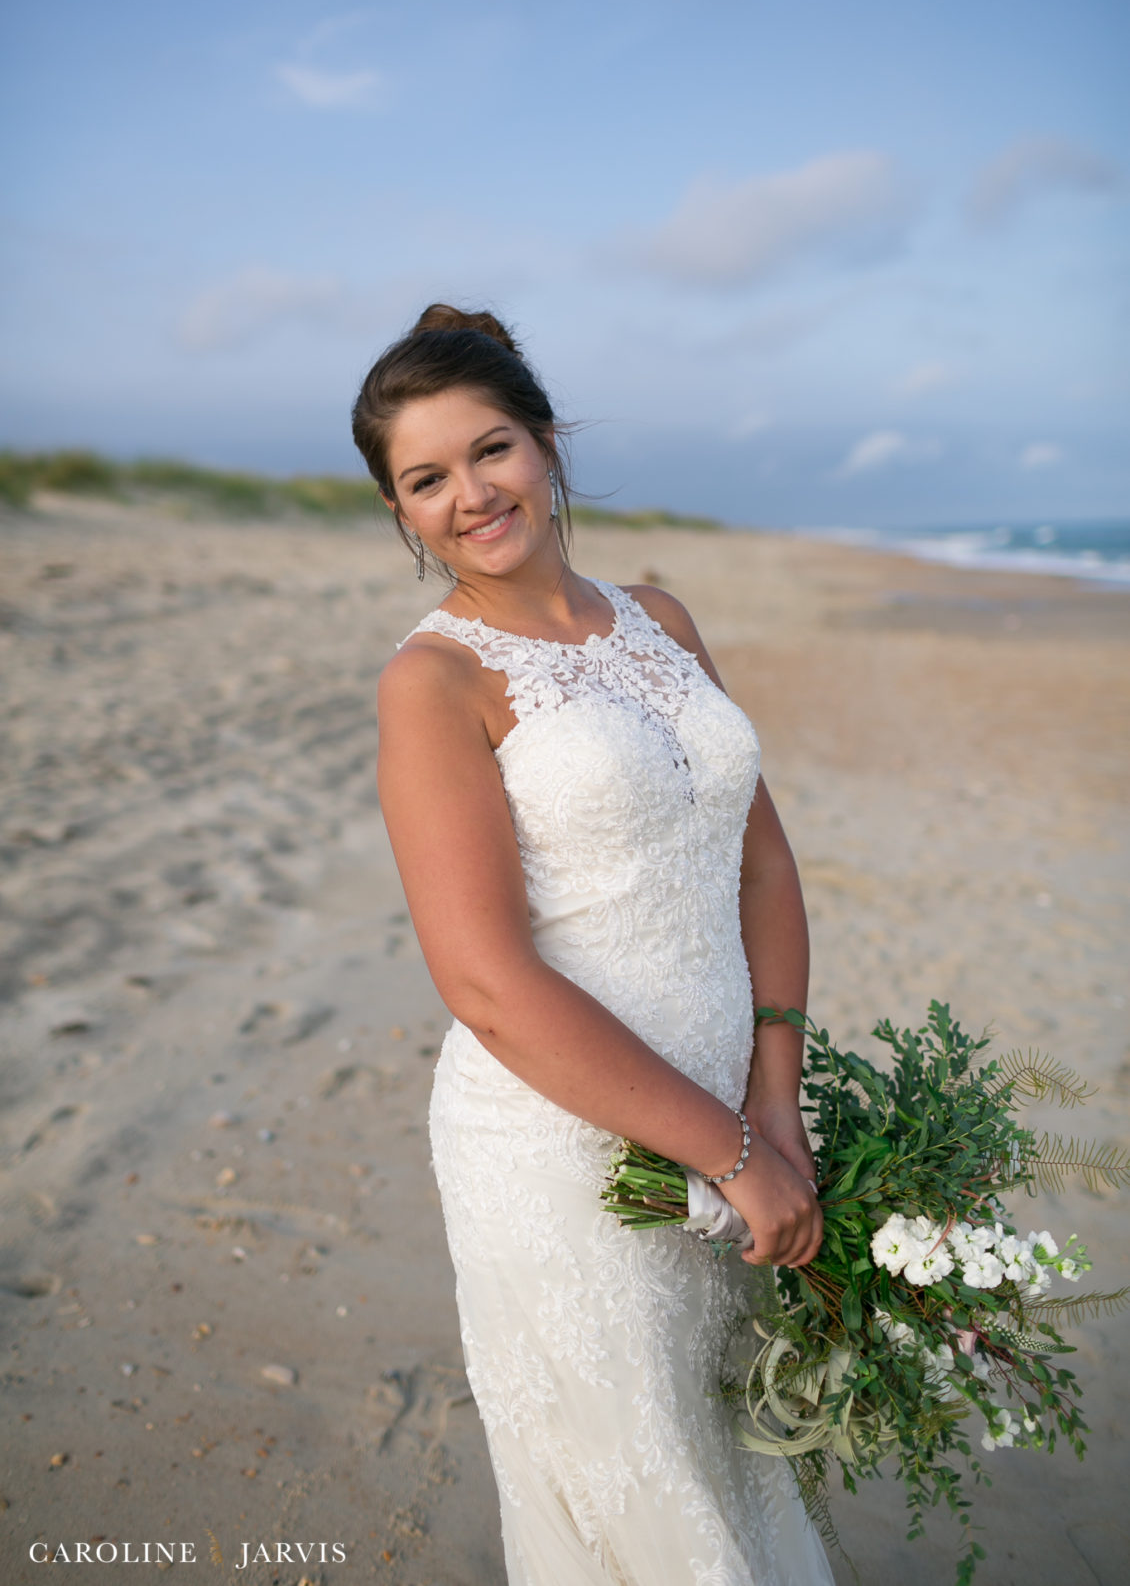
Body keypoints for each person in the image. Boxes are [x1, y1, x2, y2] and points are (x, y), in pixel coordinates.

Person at [353, 304, 834, 1586]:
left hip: (739, 1122)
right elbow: (485, 984)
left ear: (548, 444)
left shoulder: (660, 620)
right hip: (566, 1162)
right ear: (399, 513)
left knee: (735, 1460)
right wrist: (730, 1153)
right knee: (646, 1500)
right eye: (425, 479)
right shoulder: (435, 683)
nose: (470, 494)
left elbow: (761, 858)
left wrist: (773, 1105)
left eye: (491, 449)